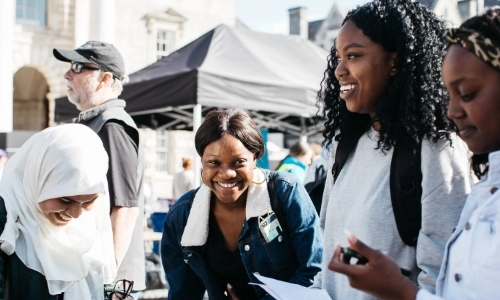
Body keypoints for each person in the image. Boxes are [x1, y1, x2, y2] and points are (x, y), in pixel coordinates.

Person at [328, 7, 500, 299]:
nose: (339, 69)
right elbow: (328, 257)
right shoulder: (344, 147)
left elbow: (442, 281)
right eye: (338, 57)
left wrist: (400, 290)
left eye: (353, 55)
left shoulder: (436, 148)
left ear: (395, 61)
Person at [161, 108, 322, 299]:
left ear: (255, 158)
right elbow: (183, 293)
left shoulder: (285, 192)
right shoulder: (181, 216)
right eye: (214, 162)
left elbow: (314, 272)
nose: (227, 173)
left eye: (238, 162)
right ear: (201, 162)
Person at [53, 41, 146, 297]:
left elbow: (125, 209)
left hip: (108, 282)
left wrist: (107, 284)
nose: (67, 74)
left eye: (78, 66)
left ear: (105, 78)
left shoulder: (112, 125)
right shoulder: (97, 122)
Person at [0, 124, 116, 299]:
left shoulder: (91, 220)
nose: (76, 214)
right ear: (37, 181)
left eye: (87, 202)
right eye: (65, 200)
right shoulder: (7, 217)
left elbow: (104, 279)